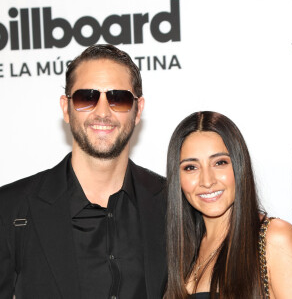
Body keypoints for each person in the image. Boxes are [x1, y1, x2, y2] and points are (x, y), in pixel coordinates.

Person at [0, 44, 167, 299]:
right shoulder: (10, 208)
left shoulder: (171, 203)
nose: (102, 111)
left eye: (118, 98)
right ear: (66, 108)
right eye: (86, 98)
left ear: (138, 110)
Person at [164, 111, 292, 299]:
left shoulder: (274, 238)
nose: (207, 180)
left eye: (220, 163)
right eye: (191, 167)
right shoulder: (179, 251)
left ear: (239, 166)